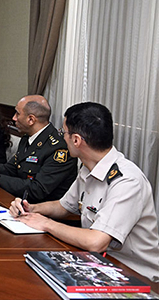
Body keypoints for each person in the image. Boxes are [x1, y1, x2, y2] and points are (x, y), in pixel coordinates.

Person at [9, 102, 159, 283]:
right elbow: (64, 206)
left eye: (63, 132)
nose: (61, 137)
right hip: (98, 264)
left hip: (135, 276)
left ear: (76, 140)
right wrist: (32, 209)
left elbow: (96, 242)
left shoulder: (127, 181)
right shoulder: (88, 167)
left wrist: (46, 224)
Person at [0, 95, 77, 203]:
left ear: (31, 120)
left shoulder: (59, 148)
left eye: (17, 113)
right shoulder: (28, 137)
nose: (13, 118)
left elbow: (37, 190)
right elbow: (10, 168)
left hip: (43, 213)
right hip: (19, 202)